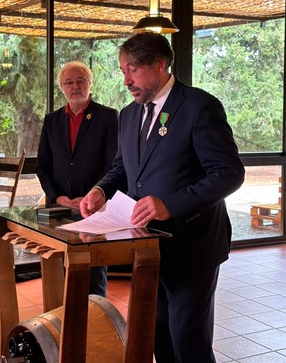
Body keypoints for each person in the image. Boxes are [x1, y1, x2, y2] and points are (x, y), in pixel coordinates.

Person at [80, 33, 245, 363]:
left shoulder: (199, 106)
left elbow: (229, 173)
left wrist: (172, 205)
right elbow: (123, 168)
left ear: (160, 65)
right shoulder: (129, 115)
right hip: (149, 247)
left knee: (188, 339)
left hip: (192, 246)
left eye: (133, 70)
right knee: (160, 335)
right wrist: (101, 190)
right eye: (123, 70)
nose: (126, 80)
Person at [36, 60, 119, 297]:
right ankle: (65, 322)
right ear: (62, 87)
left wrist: (94, 194)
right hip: (58, 208)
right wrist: (57, 196)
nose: (75, 87)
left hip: (93, 207)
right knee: (61, 268)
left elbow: (113, 164)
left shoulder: (108, 117)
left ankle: (96, 321)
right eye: (69, 82)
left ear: (90, 84)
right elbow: (43, 166)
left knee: (93, 271)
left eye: (81, 81)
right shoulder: (51, 120)